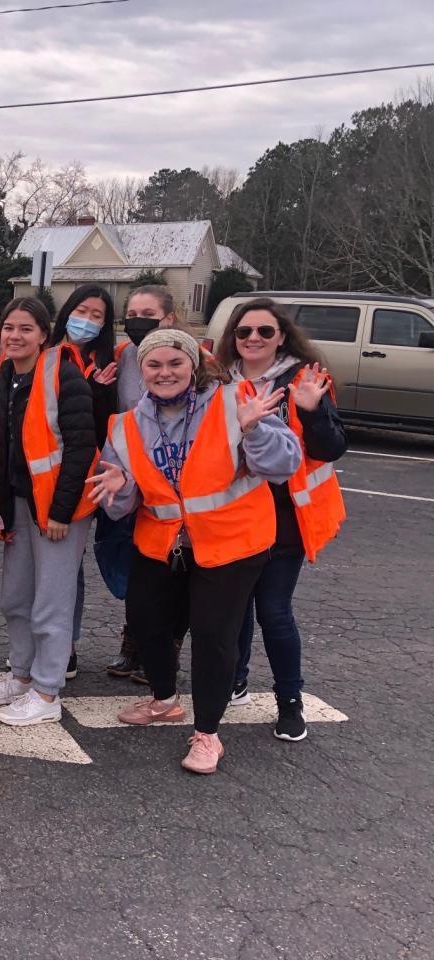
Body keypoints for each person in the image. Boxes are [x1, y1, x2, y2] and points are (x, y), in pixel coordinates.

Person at [87, 329, 302, 774]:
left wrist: (253, 429)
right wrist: (121, 488)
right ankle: (164, 700)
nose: (164, 373)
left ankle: (208, 734)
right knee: (145, 619)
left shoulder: (233, 401)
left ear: (193, 365)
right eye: (154, 365)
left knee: (212, 634)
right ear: (142, 371)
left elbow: (284, 464)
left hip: (232, 539)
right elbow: (122, 503)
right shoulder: (125, 426)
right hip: (163, 540)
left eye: (175, 363)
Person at [216, 298, 347, 741]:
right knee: (234, 610)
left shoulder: (303, 381)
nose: (253, 338)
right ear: (233, 338)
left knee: (273, 612)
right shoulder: (219, 382)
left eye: (264, 331)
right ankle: (235, 680)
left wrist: (310, 410)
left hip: (283, 519)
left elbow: (330, 448)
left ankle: (290, 701)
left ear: (282, 337)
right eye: (244, 331)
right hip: (232, 515)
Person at [0, 298, 97, 724]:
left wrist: (62, 511)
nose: (15, 336)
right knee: (16, 597)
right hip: (20, 504)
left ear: (44, 334)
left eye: (26, 328)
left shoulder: (65, 376)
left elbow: (81, 448)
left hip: (58, 511)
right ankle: (22, 675)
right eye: (8, 327)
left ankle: (47, 692)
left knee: (51, 602)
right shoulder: (3, 378)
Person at [105, 285, 184, 681]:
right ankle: (134, 641)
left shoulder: (190, 358)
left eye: (147, 314)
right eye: (131, 314)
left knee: (177, 570)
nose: (137, 321)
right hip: (131, 473)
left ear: (168, 318)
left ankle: (168, 648)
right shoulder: (124, 356)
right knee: (138, 569)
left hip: (174, 478)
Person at [47, 283, 118, 680]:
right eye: (81, 311)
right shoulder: (45, 352)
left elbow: (103, 428)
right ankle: (38, 642)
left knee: (68, 567)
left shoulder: (104, 364)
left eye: (97, 316)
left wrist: (99, 392)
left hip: (79, 479)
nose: (87, 321)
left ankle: (66, 645)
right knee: (37, 567)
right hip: (36, 478)